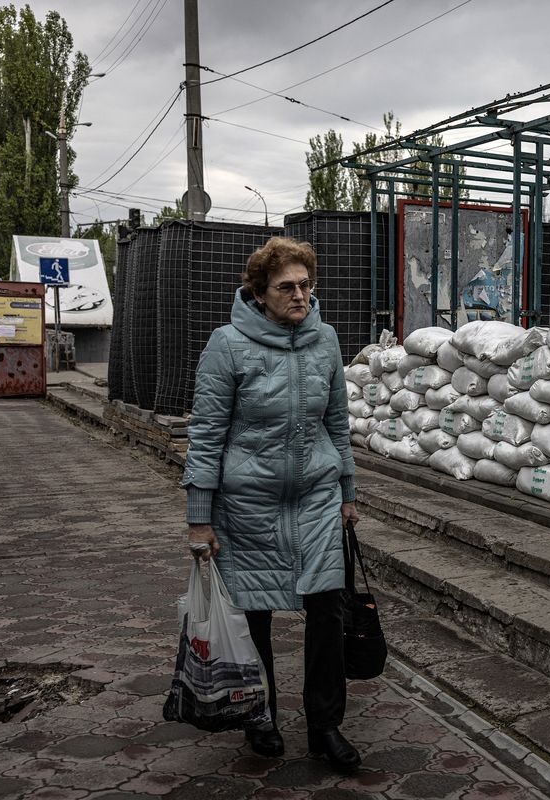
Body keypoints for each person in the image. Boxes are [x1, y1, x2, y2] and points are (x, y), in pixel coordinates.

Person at [182, 236, 361, 770]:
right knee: (253, 615)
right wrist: (199, 518)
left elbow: (338, 423)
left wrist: (348, 493)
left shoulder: (325, 341)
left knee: (327, 611)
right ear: (259, 292)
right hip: (248, 506)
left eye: (307, 285)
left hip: (316, 499)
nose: (300, 295)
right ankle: (259, 714)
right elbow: (207, 435)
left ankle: (326, 726)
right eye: (287, 287)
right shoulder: (227, 345)